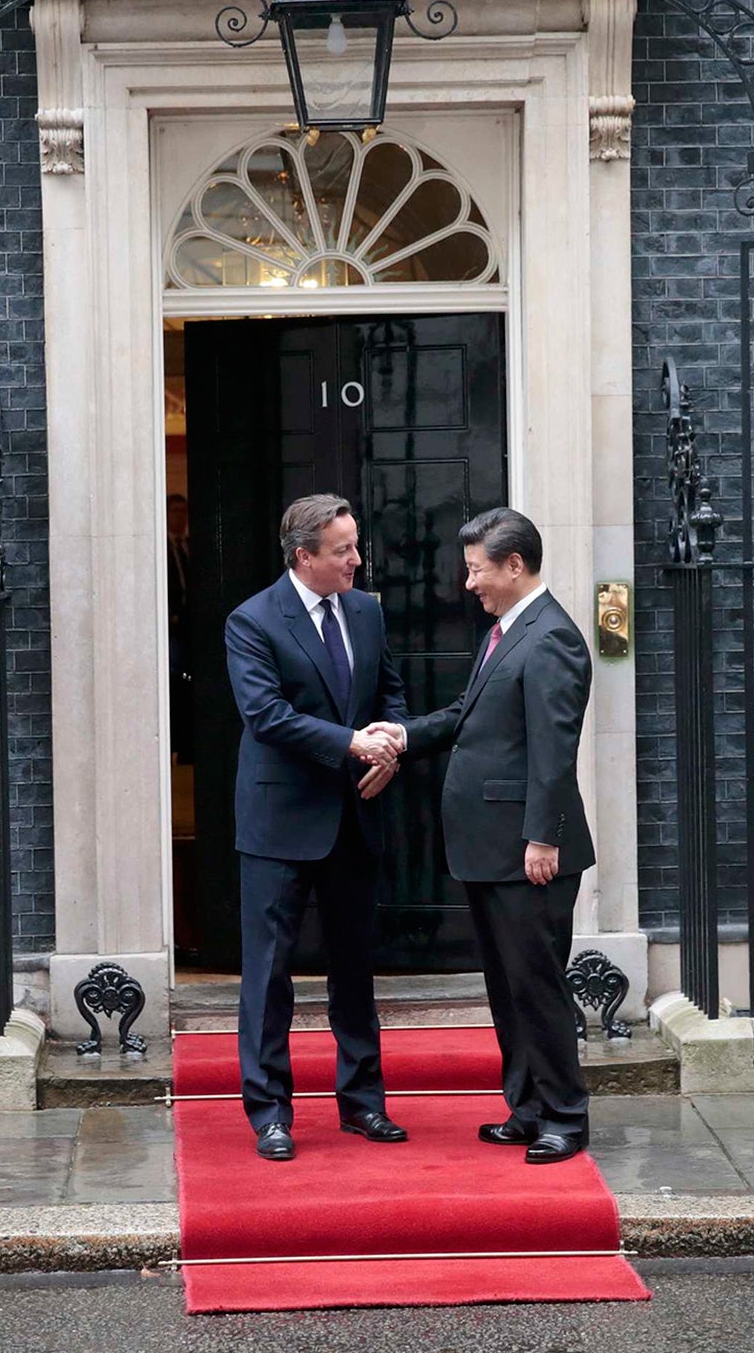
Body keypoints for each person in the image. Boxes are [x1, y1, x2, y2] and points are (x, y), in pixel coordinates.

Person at [373, 507, 596, 1163]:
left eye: (476, 570)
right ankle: (526, 1109)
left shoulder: (550, 637)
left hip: (526, 851)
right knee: (506, 987)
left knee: (537, 985)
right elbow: (468, 718)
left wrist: (543, 838)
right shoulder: (508, 632)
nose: (468, 583)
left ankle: (564, 1117)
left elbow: (554, 751)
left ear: (514, 565)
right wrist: (405, 735)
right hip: (490, 846)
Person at [223, 493, 410, 1160]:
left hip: (355, 810)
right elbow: (266, 715)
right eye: (342, 551)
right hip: (280, 819)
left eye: (355, 545)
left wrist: (391, 738)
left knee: (355, 967)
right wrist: (353, 743)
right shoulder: (252, 621)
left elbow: (389, 689)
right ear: (303, 555)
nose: (357, 560)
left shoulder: (364, 611)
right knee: (269, 973)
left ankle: (364, 1103)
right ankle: (270, 1112)